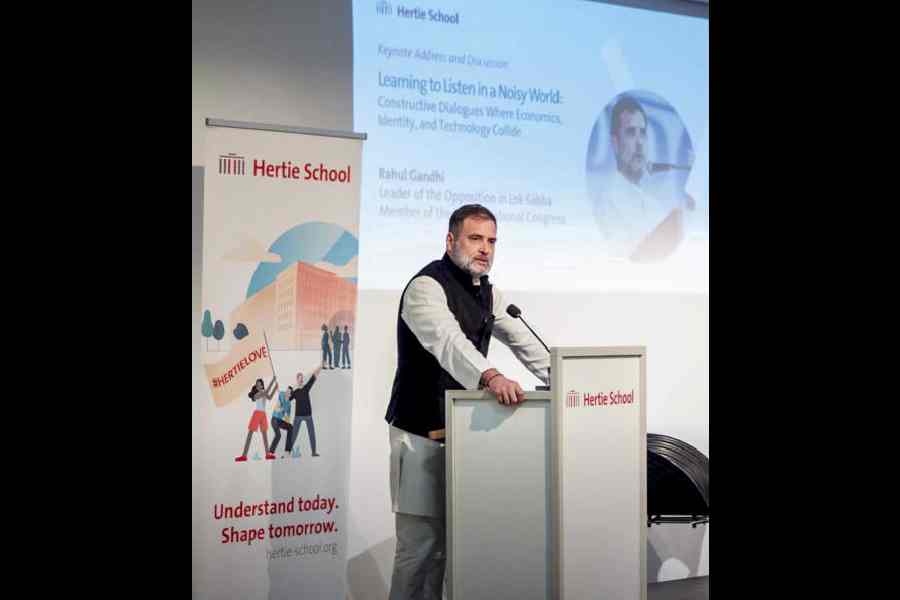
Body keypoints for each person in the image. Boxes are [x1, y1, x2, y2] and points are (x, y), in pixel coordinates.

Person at [384, 204, 550, 599]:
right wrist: (491, 376)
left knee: (446, 550)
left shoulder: (488, 291)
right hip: (419, 434)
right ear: (451, 240)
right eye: (475, 238)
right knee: (418, 550)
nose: (485, 249)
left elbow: (524, 342)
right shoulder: (426, 287)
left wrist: (569, 380)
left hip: (464, 439)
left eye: (492, 241)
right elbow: (448, 343)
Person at [235, 376, 278, 462]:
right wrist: (273, 380)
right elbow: (266, 392)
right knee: (250, 434)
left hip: (263, 414)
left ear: (262, 385)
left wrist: (275, 386)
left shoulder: (263, 393)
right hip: (257, 414)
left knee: (264, 434)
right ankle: (244, 455)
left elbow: (269, 397)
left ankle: (267, 454)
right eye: (257, 385)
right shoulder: (257, 394)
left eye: (260, 384)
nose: (258, 386)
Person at [291, 365, 323, 457]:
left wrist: (320, 367)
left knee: (312, 434)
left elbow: (314, 377)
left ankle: (313, 452)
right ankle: (288, 451)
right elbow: (287, 399)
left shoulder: (306, 388)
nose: (301, 380)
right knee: (293, 435)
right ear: (297, 380)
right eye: (299, 378)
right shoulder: (295, 391)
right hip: (298, 416)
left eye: (302, 378)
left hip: (308, 415)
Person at [269, 385, 294, 458]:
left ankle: (287, 451)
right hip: (274, 419)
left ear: (290, 395)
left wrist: (287, 421)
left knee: (290, 427)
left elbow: (287, 418)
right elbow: (277, 409)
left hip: (279, 421)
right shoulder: (282, 394)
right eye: (286, 390)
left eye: (288, 392)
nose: (286, 392)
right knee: (278, 435)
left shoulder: (289, 404)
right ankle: (270, 453)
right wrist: (283, 408)